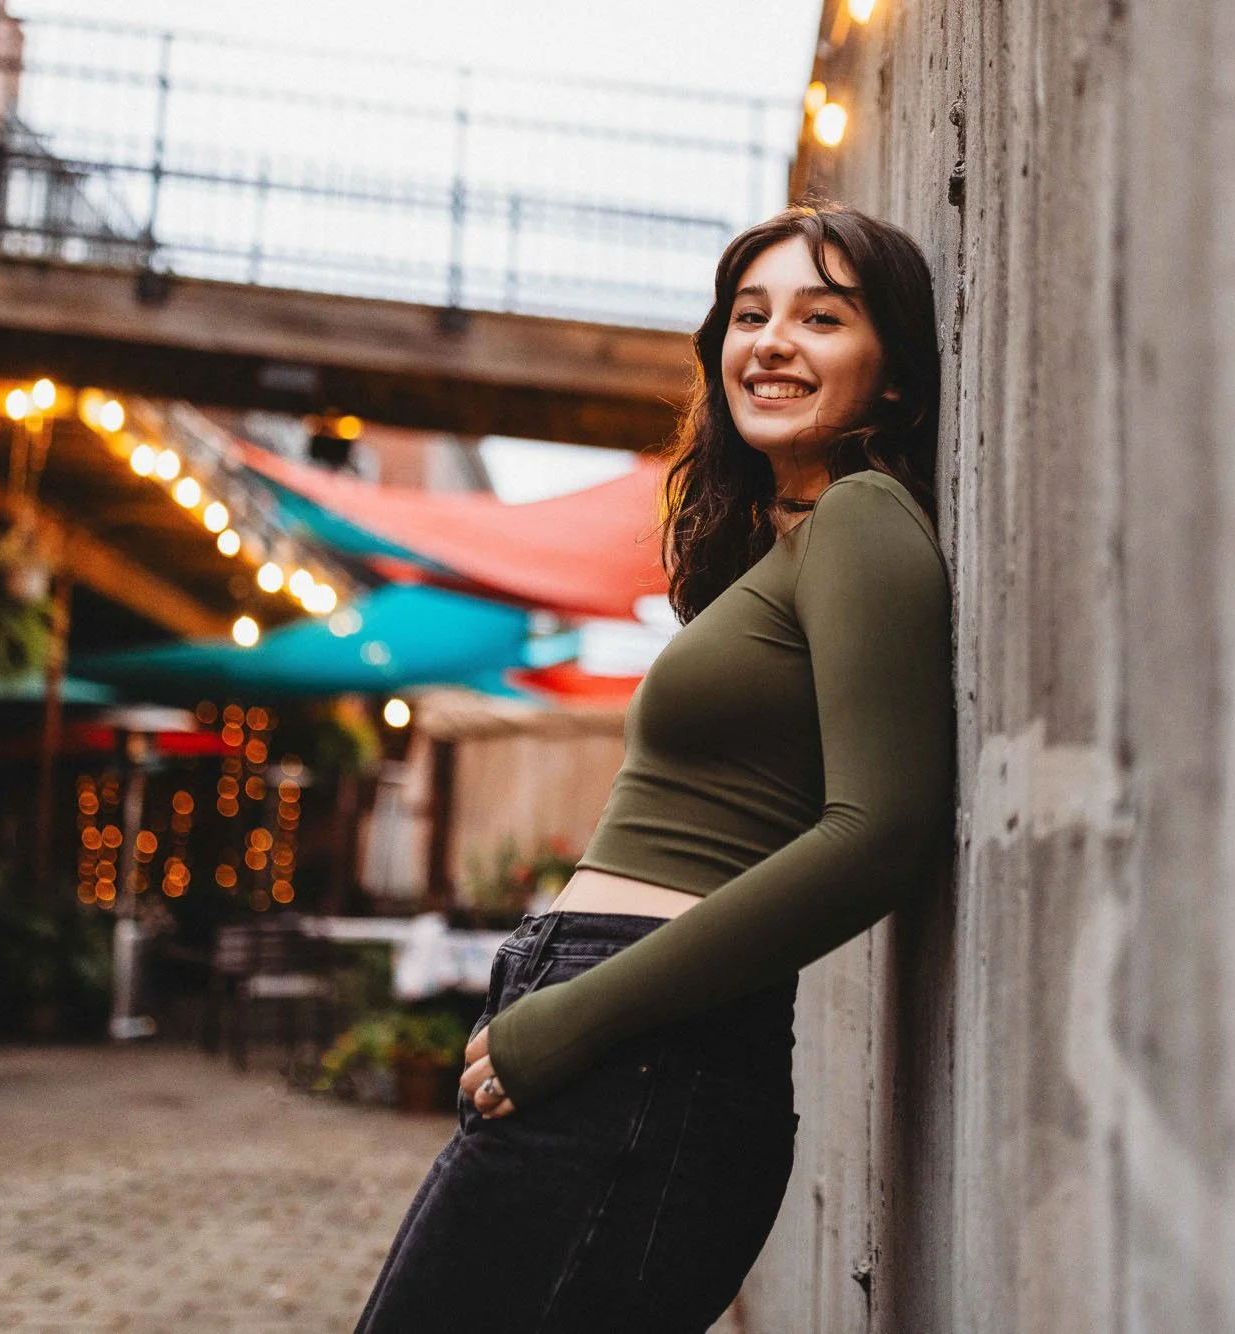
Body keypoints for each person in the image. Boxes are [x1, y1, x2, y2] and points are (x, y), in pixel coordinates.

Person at [354, 203, 957, 1334]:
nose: (771, 340)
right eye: (749, 313)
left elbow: (879, 832)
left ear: (890, 376)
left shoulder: (864, 518)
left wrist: (577, 1017)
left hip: (647, 1044)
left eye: (821, 317)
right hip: (621, 1026)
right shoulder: (789, 539)